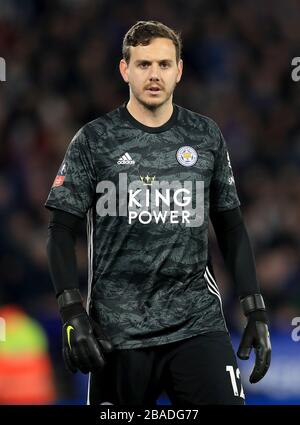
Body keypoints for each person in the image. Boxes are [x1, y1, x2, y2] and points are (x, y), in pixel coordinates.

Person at [45, 20, 271, 406]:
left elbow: (231, 227)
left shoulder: (205, 135)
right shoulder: (94, 140)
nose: (154, 74)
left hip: (197, 324)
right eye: (144, 64)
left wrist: (254, 308)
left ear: (179, 70)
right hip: (117, 331)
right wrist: (72, 314)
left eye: (164, 65)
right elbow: (60, 230)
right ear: (125, 69)